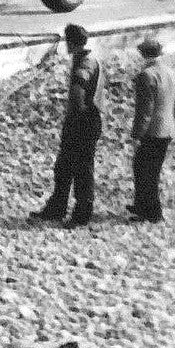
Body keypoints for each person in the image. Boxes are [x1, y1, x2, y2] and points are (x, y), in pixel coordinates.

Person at [29, 24, 105, 228]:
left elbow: (79, 90)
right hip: (87, 118)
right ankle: (58, 206)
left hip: (84, 119)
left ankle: (81, 212)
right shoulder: (87, 58)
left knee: (80, 167)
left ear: (70, 42)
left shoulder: (85, 63)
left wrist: (77, 113)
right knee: (64, 166)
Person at [128, 37, 175, 223]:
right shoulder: (171, 73)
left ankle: (151, 211)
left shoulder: (147, 75)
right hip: (167, 129)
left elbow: (145, 110)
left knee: (144, 170)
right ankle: (143, 205)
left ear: (143, 54)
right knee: (152, 170)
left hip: (152, 131)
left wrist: (137, 135)